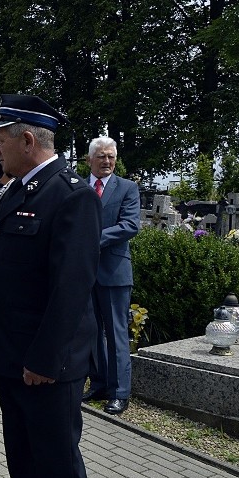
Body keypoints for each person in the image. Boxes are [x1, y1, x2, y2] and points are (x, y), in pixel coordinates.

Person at [0, 94, 101, 478]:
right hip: (12, 357)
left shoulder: (69, 196)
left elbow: (71, 288)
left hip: (45, 366)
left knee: (56, 471)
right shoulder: (20, 189)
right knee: (23, 465)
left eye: (1, 141)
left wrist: (45, 360)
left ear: (27, 140)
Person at [82, 136, 141, 416]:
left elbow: (130, 225)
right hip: (83, 272)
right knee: (91, 331)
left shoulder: (127, 188)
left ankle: (120, 393)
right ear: (89, 159)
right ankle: (100, 384)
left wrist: (92, 238)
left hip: (114, 272)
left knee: (117, 333)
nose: (107, 162)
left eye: (111, 157)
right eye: (102, 156)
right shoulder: (79, 187)